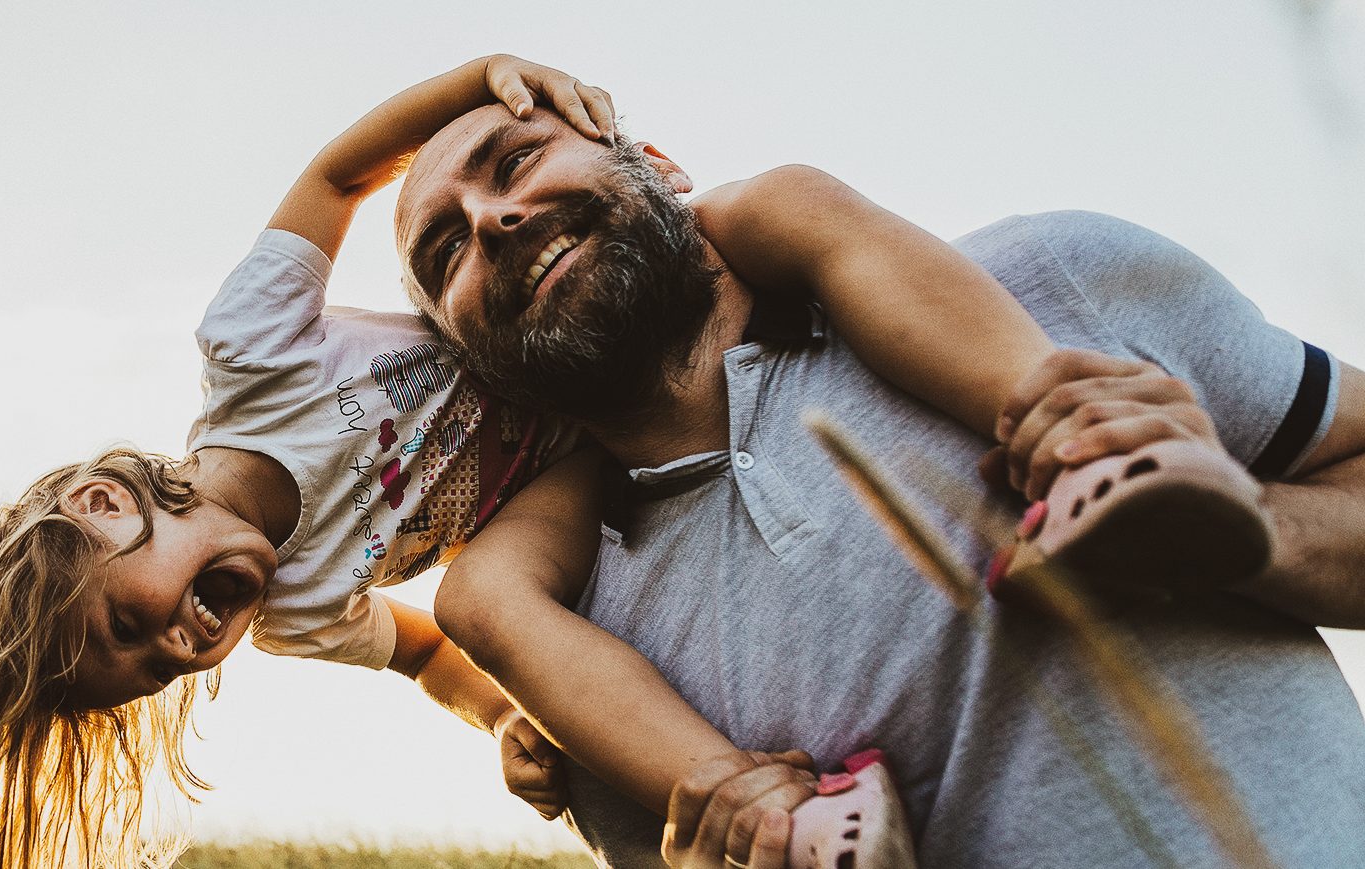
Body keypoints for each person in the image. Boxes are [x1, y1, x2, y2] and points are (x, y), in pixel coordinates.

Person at [0, 56, 1267, 869]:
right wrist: (510, 724)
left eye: (135, 623)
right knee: (490, 599)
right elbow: (435, 649)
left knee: (783, 201)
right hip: (566, 451)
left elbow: (329, 178)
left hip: (591, 336)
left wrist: (482, 79)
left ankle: (1076, 425)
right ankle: (767, 814)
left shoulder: (249, 355)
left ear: (110, 503)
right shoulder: (299, 614)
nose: (185, 649)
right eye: (155, 673)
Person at [395, 95, 1365, 868]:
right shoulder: (581, 692)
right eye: (444, 252)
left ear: (654, 164)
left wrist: (1252, 533)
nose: (491, 219)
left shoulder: (1047, 281)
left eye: (515, 160)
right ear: (472, 364)